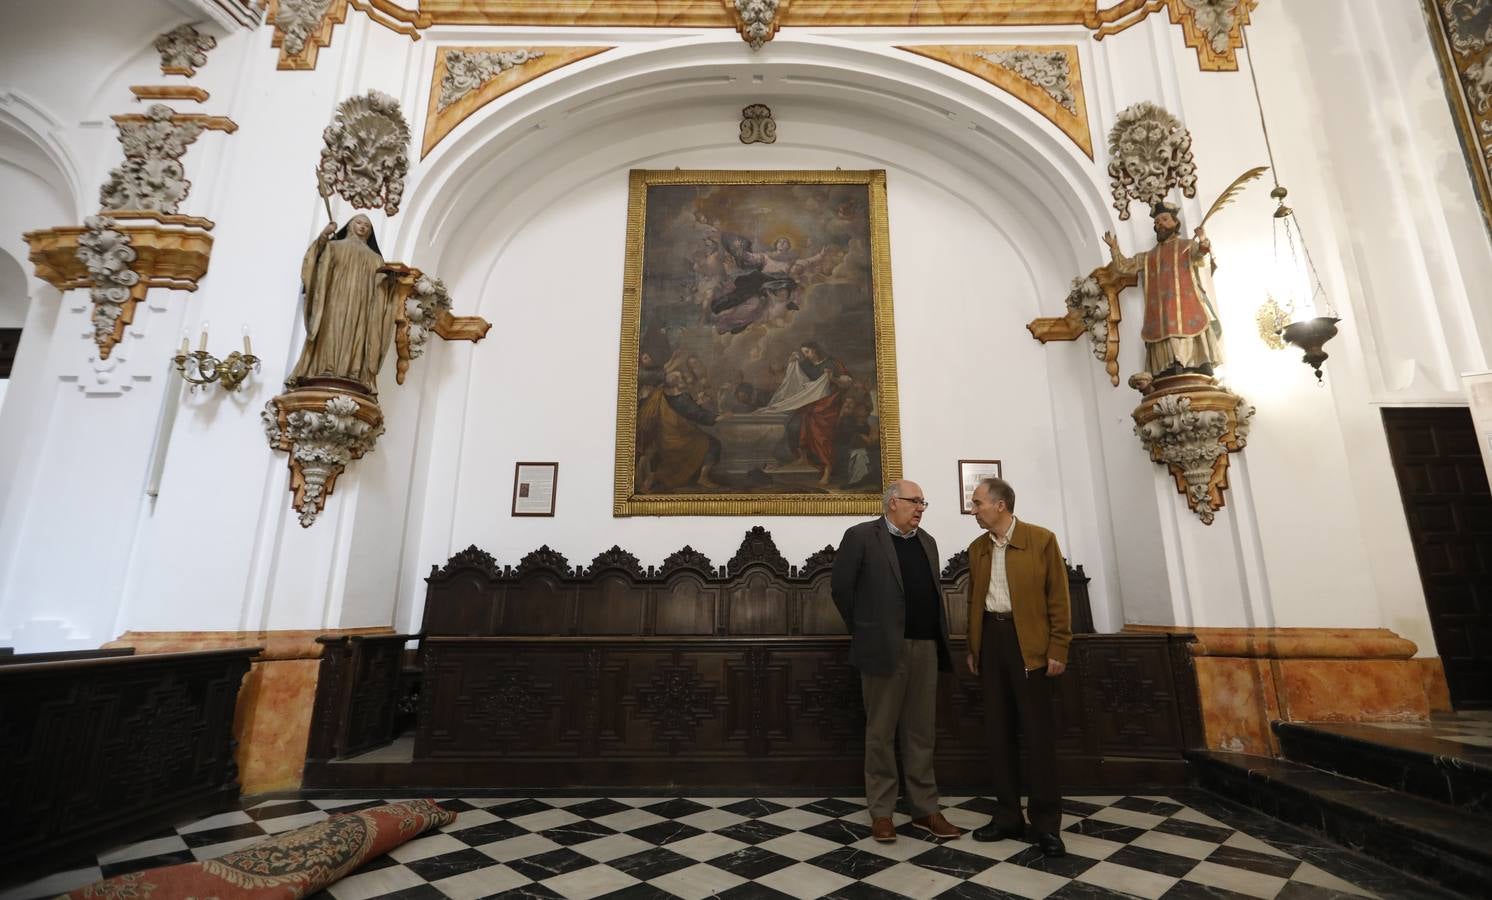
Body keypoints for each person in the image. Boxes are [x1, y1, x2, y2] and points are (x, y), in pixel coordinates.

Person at [831, 480, 961, 844]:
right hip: (883, 649)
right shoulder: (861, 536)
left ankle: (925, 809)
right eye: (914, 501)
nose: (920, 507)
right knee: (881, 733)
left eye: (923, 502)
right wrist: (867, 629)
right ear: (892, 503)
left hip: (926, 647)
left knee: (922, 732)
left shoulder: (927, 542)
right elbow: (841, 588)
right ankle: (882, 813)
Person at [965, 477, 1072, 857]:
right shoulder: (977, 548)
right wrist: (974, 647)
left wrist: (1058, 647)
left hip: (1031, 646)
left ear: (1000, 505)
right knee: (998, 734)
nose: (973, 509)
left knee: (1038, 737)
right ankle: (1008, 816)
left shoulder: (1041, 539)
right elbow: (973, 603)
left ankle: (1046, 824)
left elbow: (1058, 597)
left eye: (977, 503)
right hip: (992, 644)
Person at [1102, 200, 1223, 376]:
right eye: (1157, 223)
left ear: (1175, 222)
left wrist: (1203, 239)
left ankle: (1199, 362)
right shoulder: (1149, 256)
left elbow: (1201, 258)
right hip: (1160, 313)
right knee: (1165, 331)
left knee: (1186, 326)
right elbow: (1125, 267)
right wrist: (1114, 249)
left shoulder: (1187, 245)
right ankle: (1170, 365)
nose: (1160, 225)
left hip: (1186, 305)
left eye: (1165, 220)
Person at [289, 215, 401, 394]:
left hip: (361, 306)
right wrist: (324, 237)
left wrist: (391, 283)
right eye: (358, 223)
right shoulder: (333, 247)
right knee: (331, 330)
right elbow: (314, 265)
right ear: (349, 226)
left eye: (367, 225)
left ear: (370, 232)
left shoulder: (376, 259)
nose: (362, 227)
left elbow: (381, 291)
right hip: (335, 301)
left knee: (356, 334)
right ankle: (325, 368)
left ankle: (353, 373)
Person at [635, 370, 721, 491]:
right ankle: (703, 477)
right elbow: (698, 415)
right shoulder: (683, 398)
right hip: (680, 439)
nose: (683, 380)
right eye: (681, 378)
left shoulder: (657, 395)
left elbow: (649, 415)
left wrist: (697, 403)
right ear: (678, 382)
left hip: (661, 438)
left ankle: (652, 478)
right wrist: (717, 417)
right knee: (714, 444)